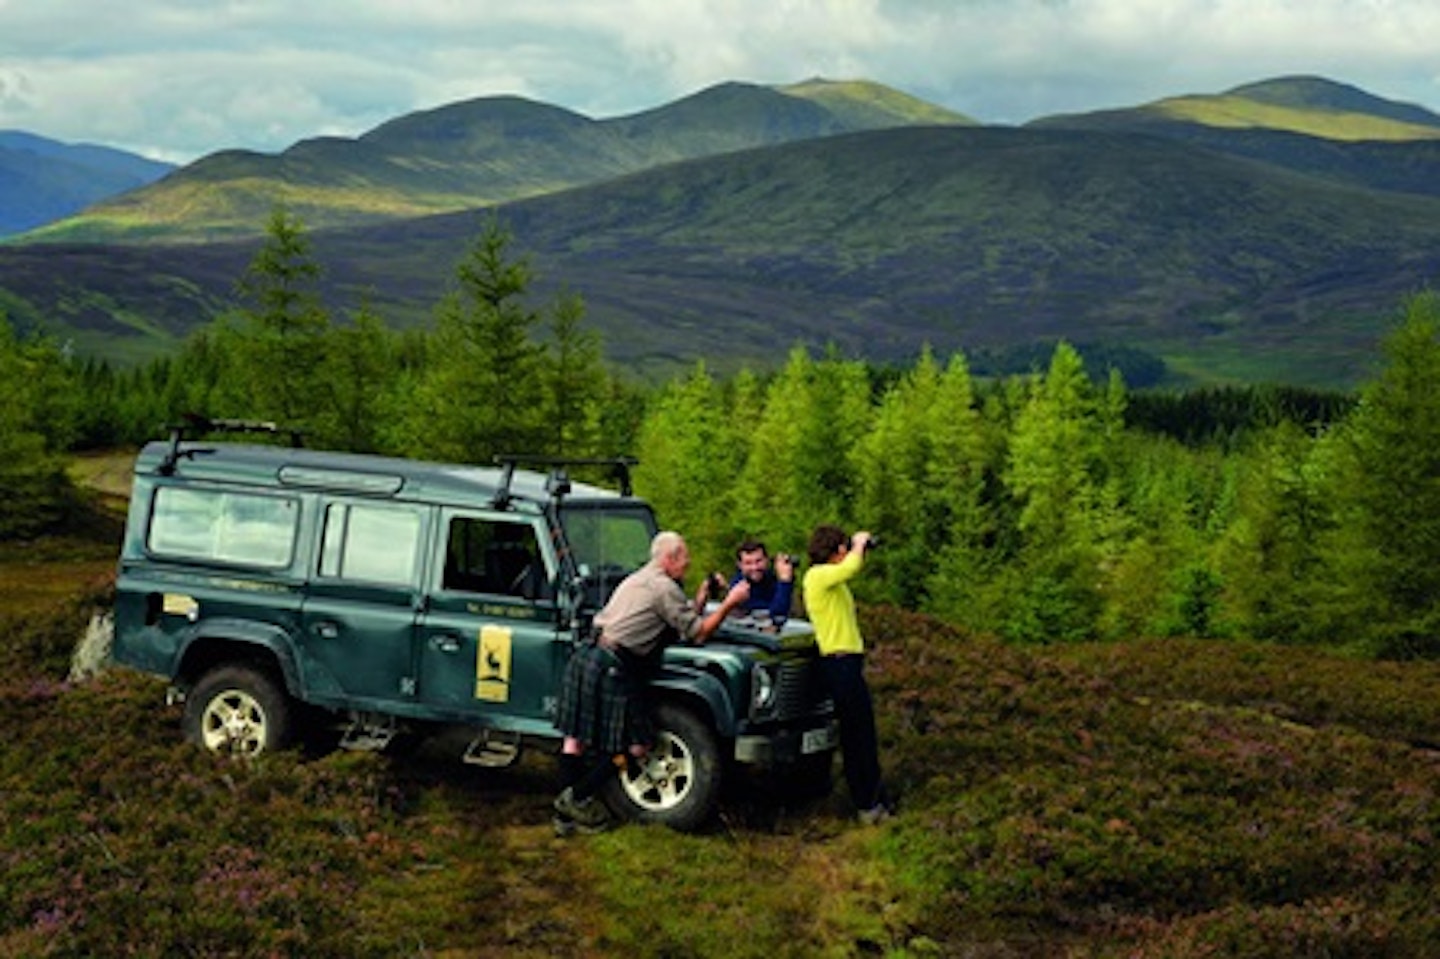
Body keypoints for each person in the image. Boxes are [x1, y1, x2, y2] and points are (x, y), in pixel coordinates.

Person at [552, 530, 750, 835]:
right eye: (684, 556)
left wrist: (700, 598)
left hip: (590, 655)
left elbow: (679, 624)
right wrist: (729, 603)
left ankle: (564, 817)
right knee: (637, 744)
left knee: (575, 739)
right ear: (669, 558)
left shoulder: (638, 579)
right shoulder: (663, 588)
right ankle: (577, 798)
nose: (688, 562)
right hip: (615, 666)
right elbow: (697, 634)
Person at [802, 524, 893, 825]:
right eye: (842, 547)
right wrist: (859, 543)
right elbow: (852, 567)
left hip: (849, 663)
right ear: (835, 550)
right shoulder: (816, 576)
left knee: (864, 734)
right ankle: (866, 804)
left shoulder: (833, 581)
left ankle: (875, 798)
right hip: (837, 663)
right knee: (855, 736)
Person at [700, 538, 795, 623]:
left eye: (758, 561)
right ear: (740, 565)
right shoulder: (740, 584)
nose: (755, 567)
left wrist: (785, 578)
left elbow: (783, 614)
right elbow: (777, 615)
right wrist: (785, 582)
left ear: (766, 560)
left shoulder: (773, 578)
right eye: (748, 563)